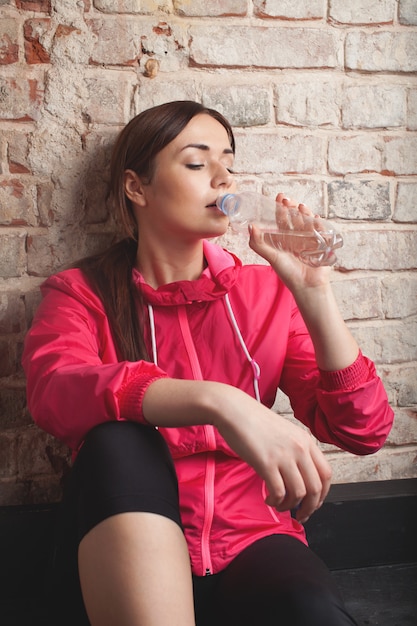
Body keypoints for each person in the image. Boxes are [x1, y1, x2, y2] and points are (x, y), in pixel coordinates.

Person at [22, 100, 394, 626]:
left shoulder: (265, 294)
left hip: (253, 541)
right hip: (127, 542)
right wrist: (219, 401)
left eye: (228, 162)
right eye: (197, 164)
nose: (222, 177)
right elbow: (55, 389)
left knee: (311, 612)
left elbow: (364, 430)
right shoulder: (81, 294)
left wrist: (314, 293)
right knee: (119, 437)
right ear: (137, 187)